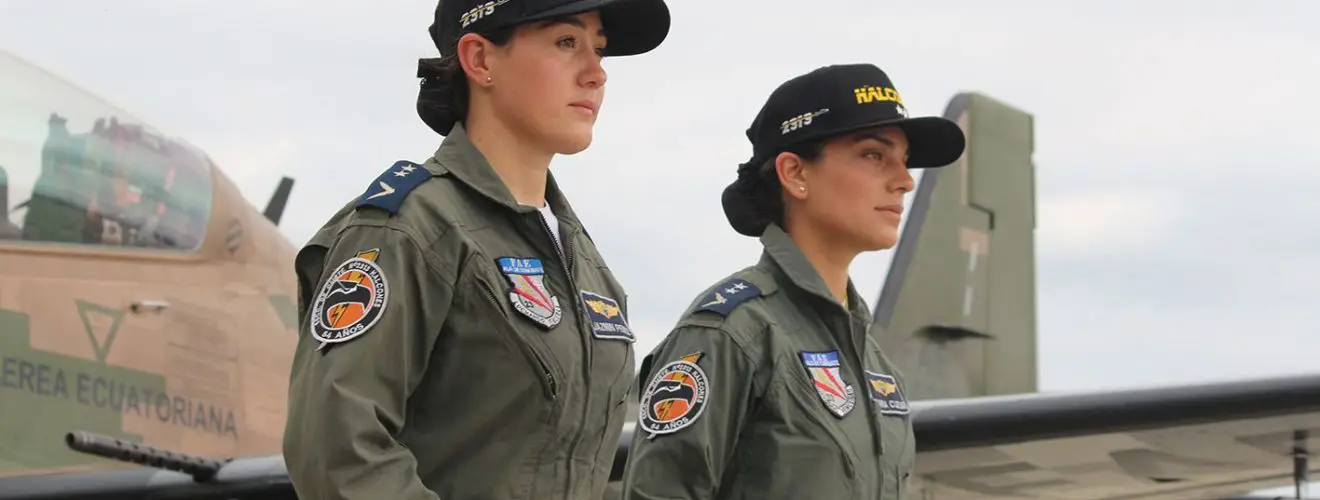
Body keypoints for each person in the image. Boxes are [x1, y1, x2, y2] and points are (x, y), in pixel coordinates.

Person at [281, 0, 670, 498]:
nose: (596, 74)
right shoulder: (409, 231)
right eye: (567, 42)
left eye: (598, 49)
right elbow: (338, 453)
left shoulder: (589, 269)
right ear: (480, 60)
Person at [620, 63, 966, 500]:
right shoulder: (731, 333)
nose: (903, 182)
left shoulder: (876, 366)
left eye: (904, 162)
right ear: (796, 173)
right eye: (874, 155)